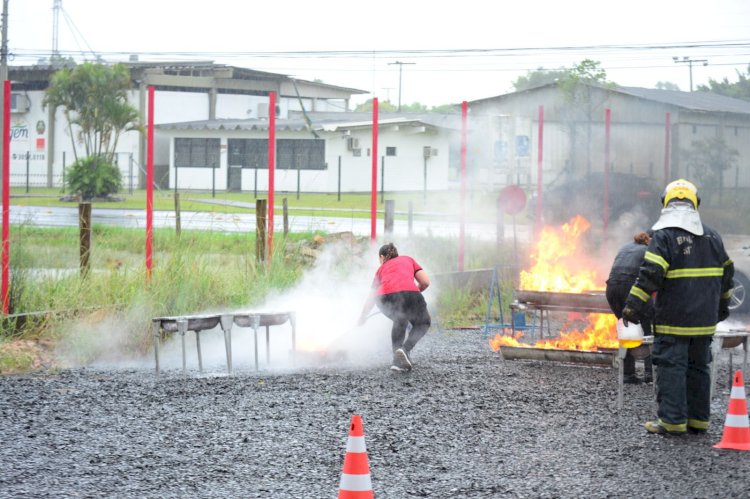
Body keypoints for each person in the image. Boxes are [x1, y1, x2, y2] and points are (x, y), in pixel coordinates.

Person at [622, 179, 734, 436]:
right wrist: (722, 308)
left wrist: (631, 307)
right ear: (696, 204)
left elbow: (650, 275)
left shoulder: (664, 236)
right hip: (704, 322)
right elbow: (727, 277)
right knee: (698, 367)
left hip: (674, 320)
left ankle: (672, 421)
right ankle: (698, 421)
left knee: (672, 366)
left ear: (665, 203)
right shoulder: (713, 236)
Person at [358, 242, 431, 372]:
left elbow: (371, 297)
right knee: (423, 323)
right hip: (411, 292)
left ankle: (397, 361)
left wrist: (362, 317)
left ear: (381, 257)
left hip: (383, 297)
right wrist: (412, 295)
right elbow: (425, 282)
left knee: (400, 320)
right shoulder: (408, 259)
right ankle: (404, 350)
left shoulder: (380, 269)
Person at [606, 231, 654, 384]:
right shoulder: (650, 250)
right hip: (630, 288)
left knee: (626, 326)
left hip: (611, 289)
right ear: (650, 240)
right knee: (648, 327)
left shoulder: (625, 248)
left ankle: (627, 374)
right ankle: (650, 374)